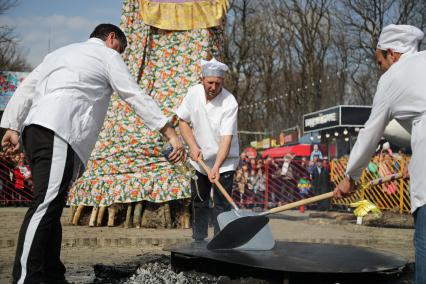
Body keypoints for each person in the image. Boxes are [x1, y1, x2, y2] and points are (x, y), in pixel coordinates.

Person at [0, 23, 184, 284]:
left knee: (52, 204)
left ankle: (51, 274)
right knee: (45, 204)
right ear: (111, 39)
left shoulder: (58, 54)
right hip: (60, 128)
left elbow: (27, 87)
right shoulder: (107, 55)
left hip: (37, 129)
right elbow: (133, 94)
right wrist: (170, 133)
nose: (119, 55)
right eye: (120, 49)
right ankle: (25, 277)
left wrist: (12, 127)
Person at [333, 24, 425, 283]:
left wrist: (350, 176)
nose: (381, 68)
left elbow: (370, 134)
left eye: (380, 61)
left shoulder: (393, 78)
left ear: (393, 54)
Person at [176, 58, 239, 242]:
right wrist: (193, 145)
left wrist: (217, 166)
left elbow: (226, 139)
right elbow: (183, 121)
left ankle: (221, 241)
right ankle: (198, 239)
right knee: (199, 201)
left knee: (221, 205)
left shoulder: (230, 102)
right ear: (202, 79)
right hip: (199, 159)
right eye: (210, 82)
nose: (213, 87)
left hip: (224, 162)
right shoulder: (193, 93)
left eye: (217, 83)